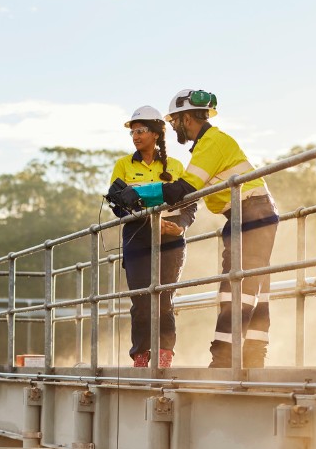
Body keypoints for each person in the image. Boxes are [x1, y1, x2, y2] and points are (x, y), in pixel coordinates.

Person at [159, 89, 279, 368]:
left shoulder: (211, 142)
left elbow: (185, 189)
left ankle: (225, 359)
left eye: (174, 121)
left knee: (237, 285)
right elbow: (194, 193)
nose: (174, 127)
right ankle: (253, 355)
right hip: (249, 214)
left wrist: (143, 196)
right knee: (254, 285)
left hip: (250, 213)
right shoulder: (210, 144)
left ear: (187, 118)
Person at [105, 105, 195, 368]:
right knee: (142, 299)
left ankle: (165, 353)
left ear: (156, 133)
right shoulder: (123, 165)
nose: (135, 136)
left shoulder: (176, 166)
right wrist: (138, 213)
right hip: (137, 238)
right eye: (132, 132)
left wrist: (180, 224)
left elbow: (191, 203)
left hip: (171, 238)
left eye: (141, 130)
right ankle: (141, 355)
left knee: (165, 299)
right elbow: (115, 204)